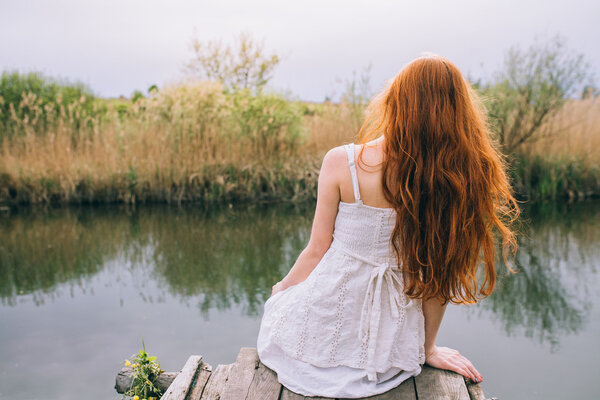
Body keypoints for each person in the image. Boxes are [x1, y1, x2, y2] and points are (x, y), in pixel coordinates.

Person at [256, 54, 519, 398]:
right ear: (458, 113)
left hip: (323, 319)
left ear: (395, 102)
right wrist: (427, 351)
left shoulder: (342, 161)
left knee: (280, 307)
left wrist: (284, 288)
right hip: (388, 348)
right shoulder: (455, 180)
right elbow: (437, 281)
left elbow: (317, 249)